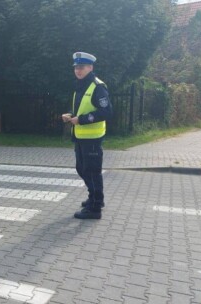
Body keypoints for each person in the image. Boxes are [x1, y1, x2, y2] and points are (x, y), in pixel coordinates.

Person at [62, 52, 112, 220]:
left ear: (90, 67)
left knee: (92, 171)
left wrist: (81, 120)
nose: (78, 70)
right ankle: (94, 197)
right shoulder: (81, 85)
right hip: (81, 136)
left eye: (81, 67)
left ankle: (95, 207)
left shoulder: (97, 86)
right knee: (82, 169)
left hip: (92, 138)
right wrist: (70, 114)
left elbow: (106, 111)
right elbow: (80, 109)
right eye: (76, 67)